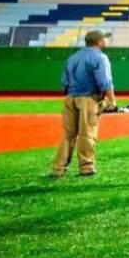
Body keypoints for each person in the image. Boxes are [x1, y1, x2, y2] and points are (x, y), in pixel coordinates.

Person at [52, 29, 116, 178]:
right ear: (99, 41)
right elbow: (105, 81)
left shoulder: (73, 57)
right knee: (87, 134)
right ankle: (86, 167)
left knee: (68, 135)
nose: (106, 41)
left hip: (70, 98)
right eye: (104, 38)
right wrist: (112, 100)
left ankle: (58, 168)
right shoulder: (100, 57)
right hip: (88, 98)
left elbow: (64, 82)